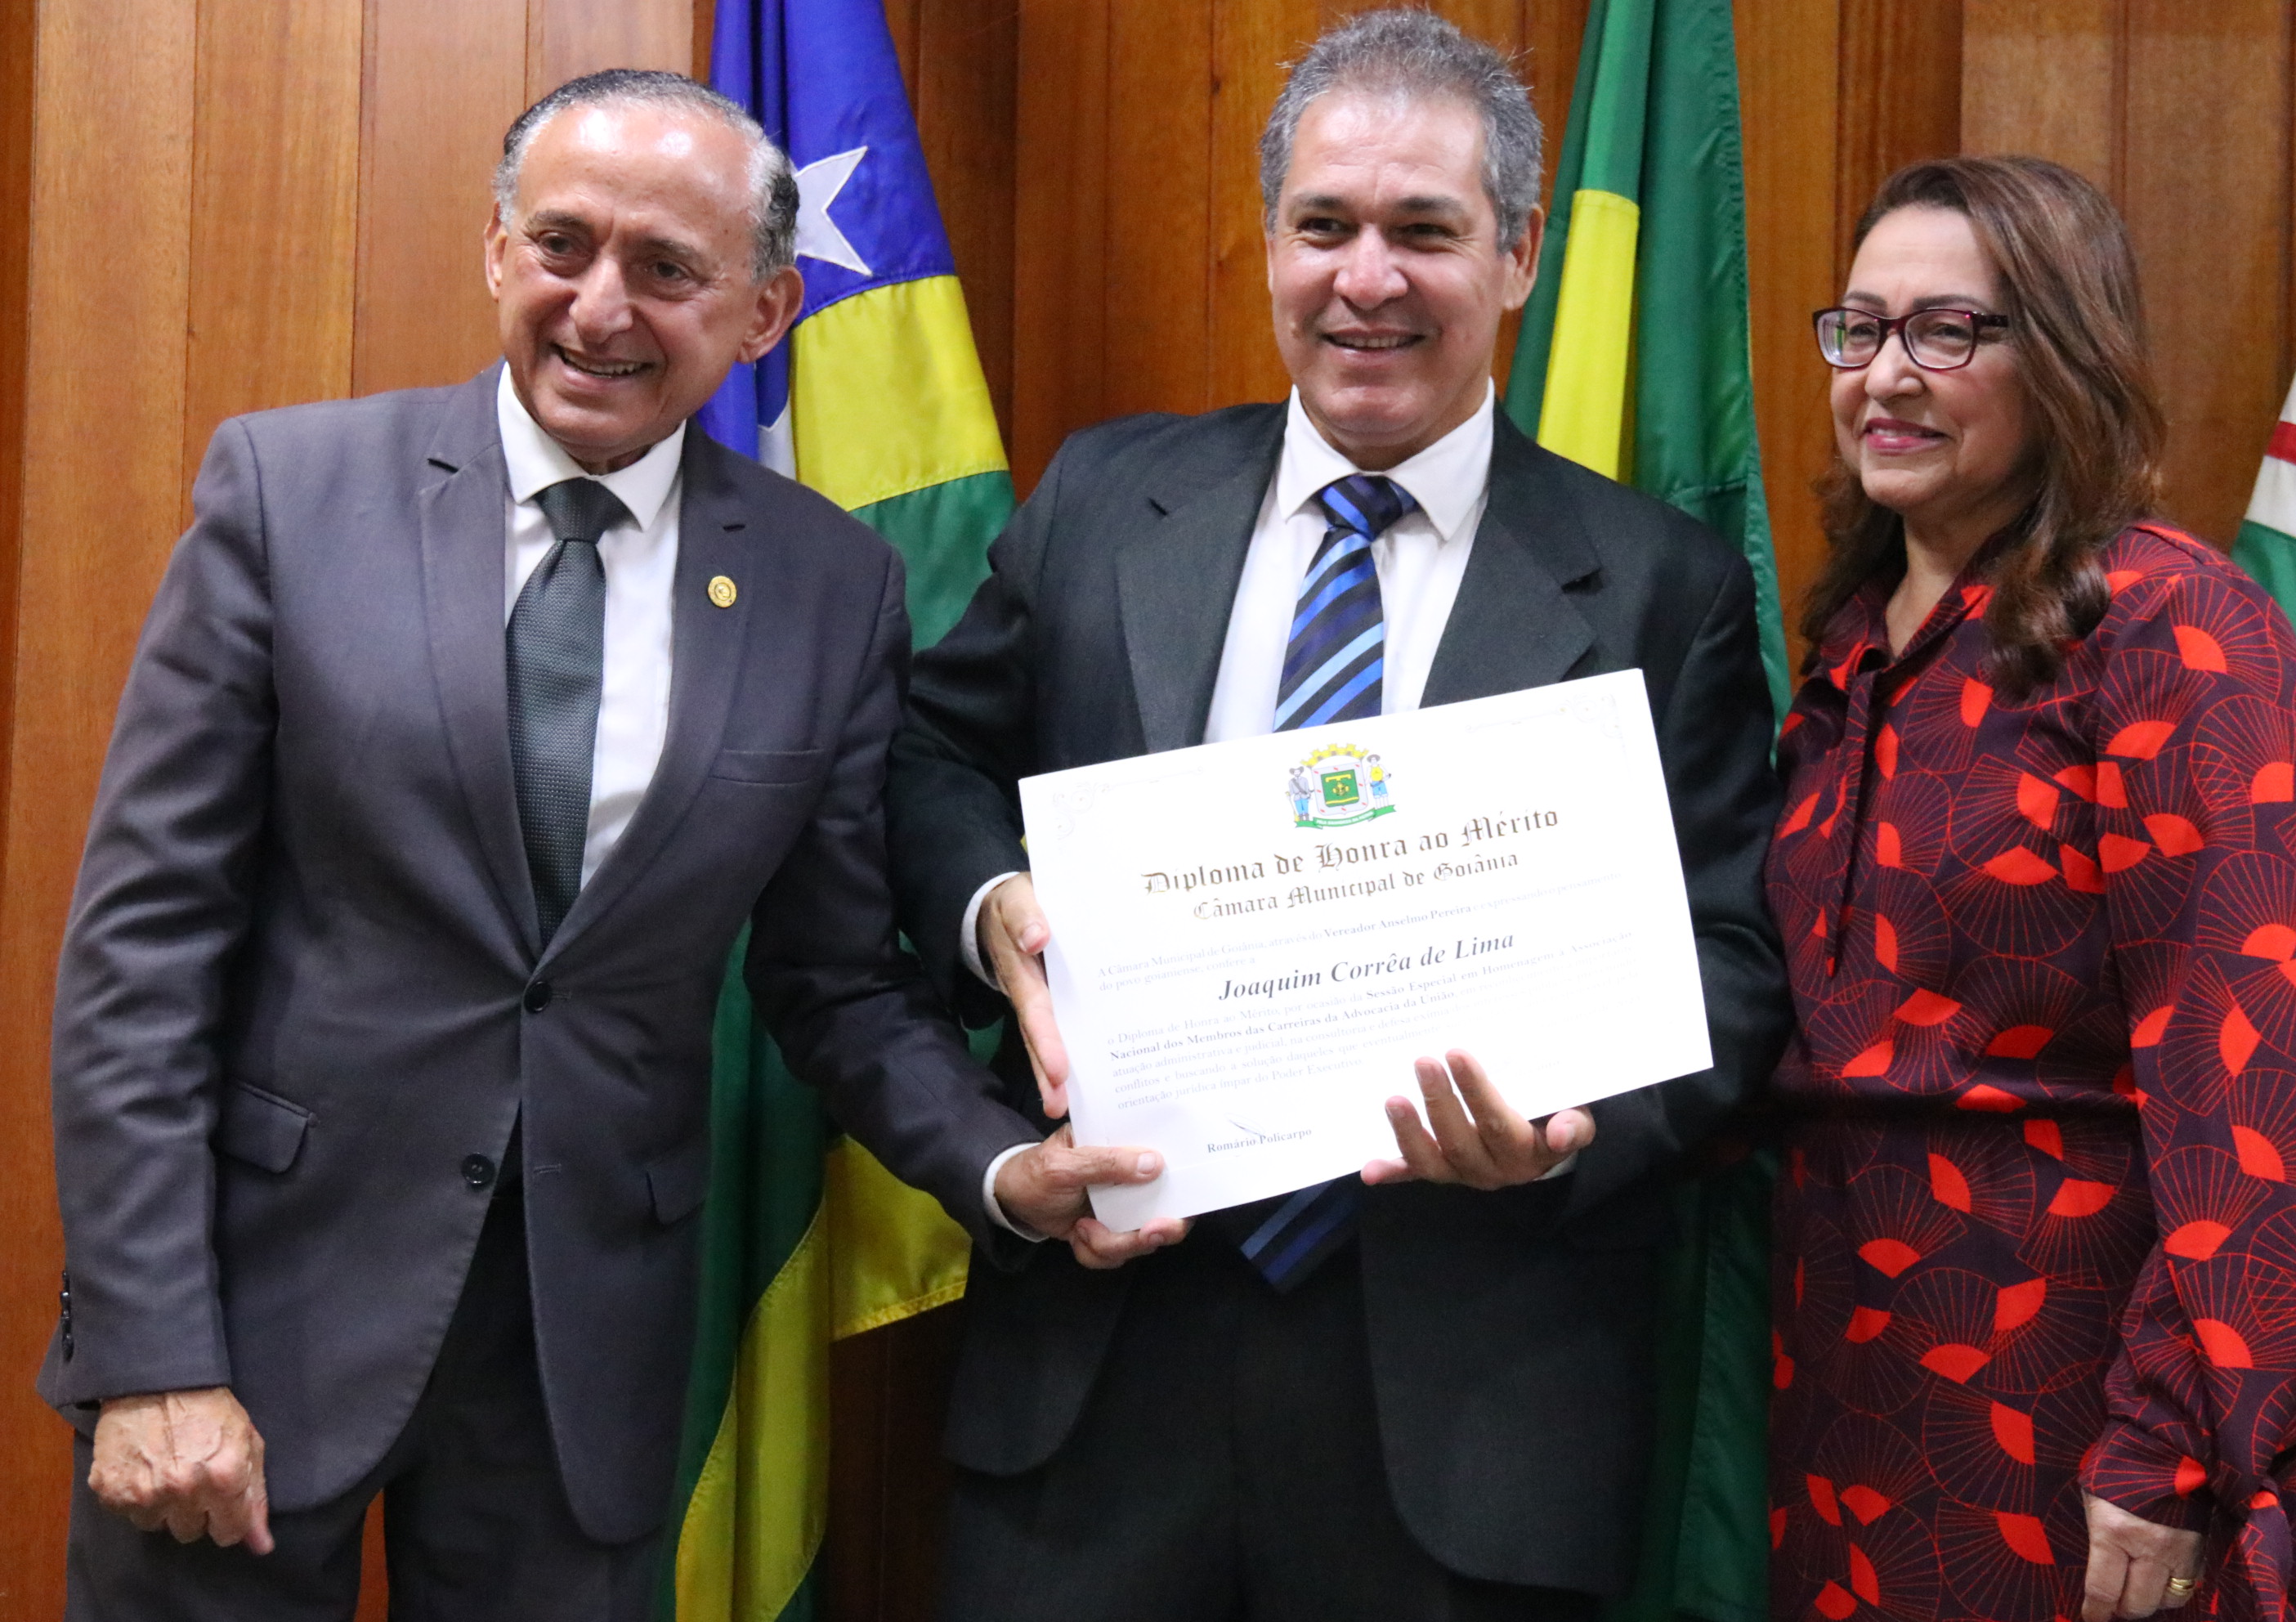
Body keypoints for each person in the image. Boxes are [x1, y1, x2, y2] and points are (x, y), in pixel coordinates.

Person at [41, 69, 1038, 1619]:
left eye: (668, 267)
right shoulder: (289, 494)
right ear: (497, 250)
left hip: (586, 1356)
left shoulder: (831, 590)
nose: (600, 306)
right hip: (257, 1313)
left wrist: (1003, 1164)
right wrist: (151, 1350)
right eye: (562, 245)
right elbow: (142, 957)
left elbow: (835, 979)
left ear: (765, 312)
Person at [885, 11, 1788, 1620]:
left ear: (1517, 254)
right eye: (1324, 226)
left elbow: (1730, 957)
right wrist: (989, 909)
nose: (1366, 279)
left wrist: (1569, 1129)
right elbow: (927, 757)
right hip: (1096, 1380)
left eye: (1423, 230)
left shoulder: (1665, 589)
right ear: (1271, 245)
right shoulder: (1102, 503)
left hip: (1467, 1421)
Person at [1766, 155, 2296, 1622]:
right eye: (1861, 328)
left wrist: (2165, 1441)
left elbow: (2243, 1085)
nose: (1886, 375)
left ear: (2066, 358)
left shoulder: (2173, 632)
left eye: (1948, 331)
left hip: (2084, 1407)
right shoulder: (1849, 648)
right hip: (1847, 1387)